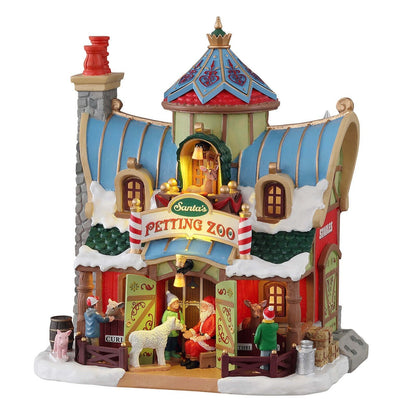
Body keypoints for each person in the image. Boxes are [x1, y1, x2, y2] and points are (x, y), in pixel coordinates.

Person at [182, 296, 216, 369]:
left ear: (210, 307)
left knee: (195, 346)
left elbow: (213, 330)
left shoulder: (213, 317)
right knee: (188, 343)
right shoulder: (204, 316)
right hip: (200, 337)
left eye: (204, 306)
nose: (202, 308)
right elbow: (198, 327)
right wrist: (191, 332)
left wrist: (205, 337)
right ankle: (189, 359)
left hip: (209, 340)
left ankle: (194, 361)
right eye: (202, 306)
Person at [162, 291, 185, 360]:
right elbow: (163, 320)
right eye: (174, 303)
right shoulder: (167, 312)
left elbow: (181, 319)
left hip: (175, 332)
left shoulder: (178, 312)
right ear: (170, 304)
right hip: (169, 332)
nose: (176, 305)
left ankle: (173, 352)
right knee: (168, 342)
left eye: (177, 303)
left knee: (174, 342)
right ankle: (167, 353)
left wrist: (182, 325)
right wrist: (167, 325)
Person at [254, 306, 279, 370]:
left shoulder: (261, 326)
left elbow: (257, 336)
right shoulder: (275, 326)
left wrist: (256, 342)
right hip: (273, 347)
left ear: (264, 316)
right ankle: (272, 372)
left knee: (263, 362)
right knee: (272, 362)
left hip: (264, 347)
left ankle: (264, 373)